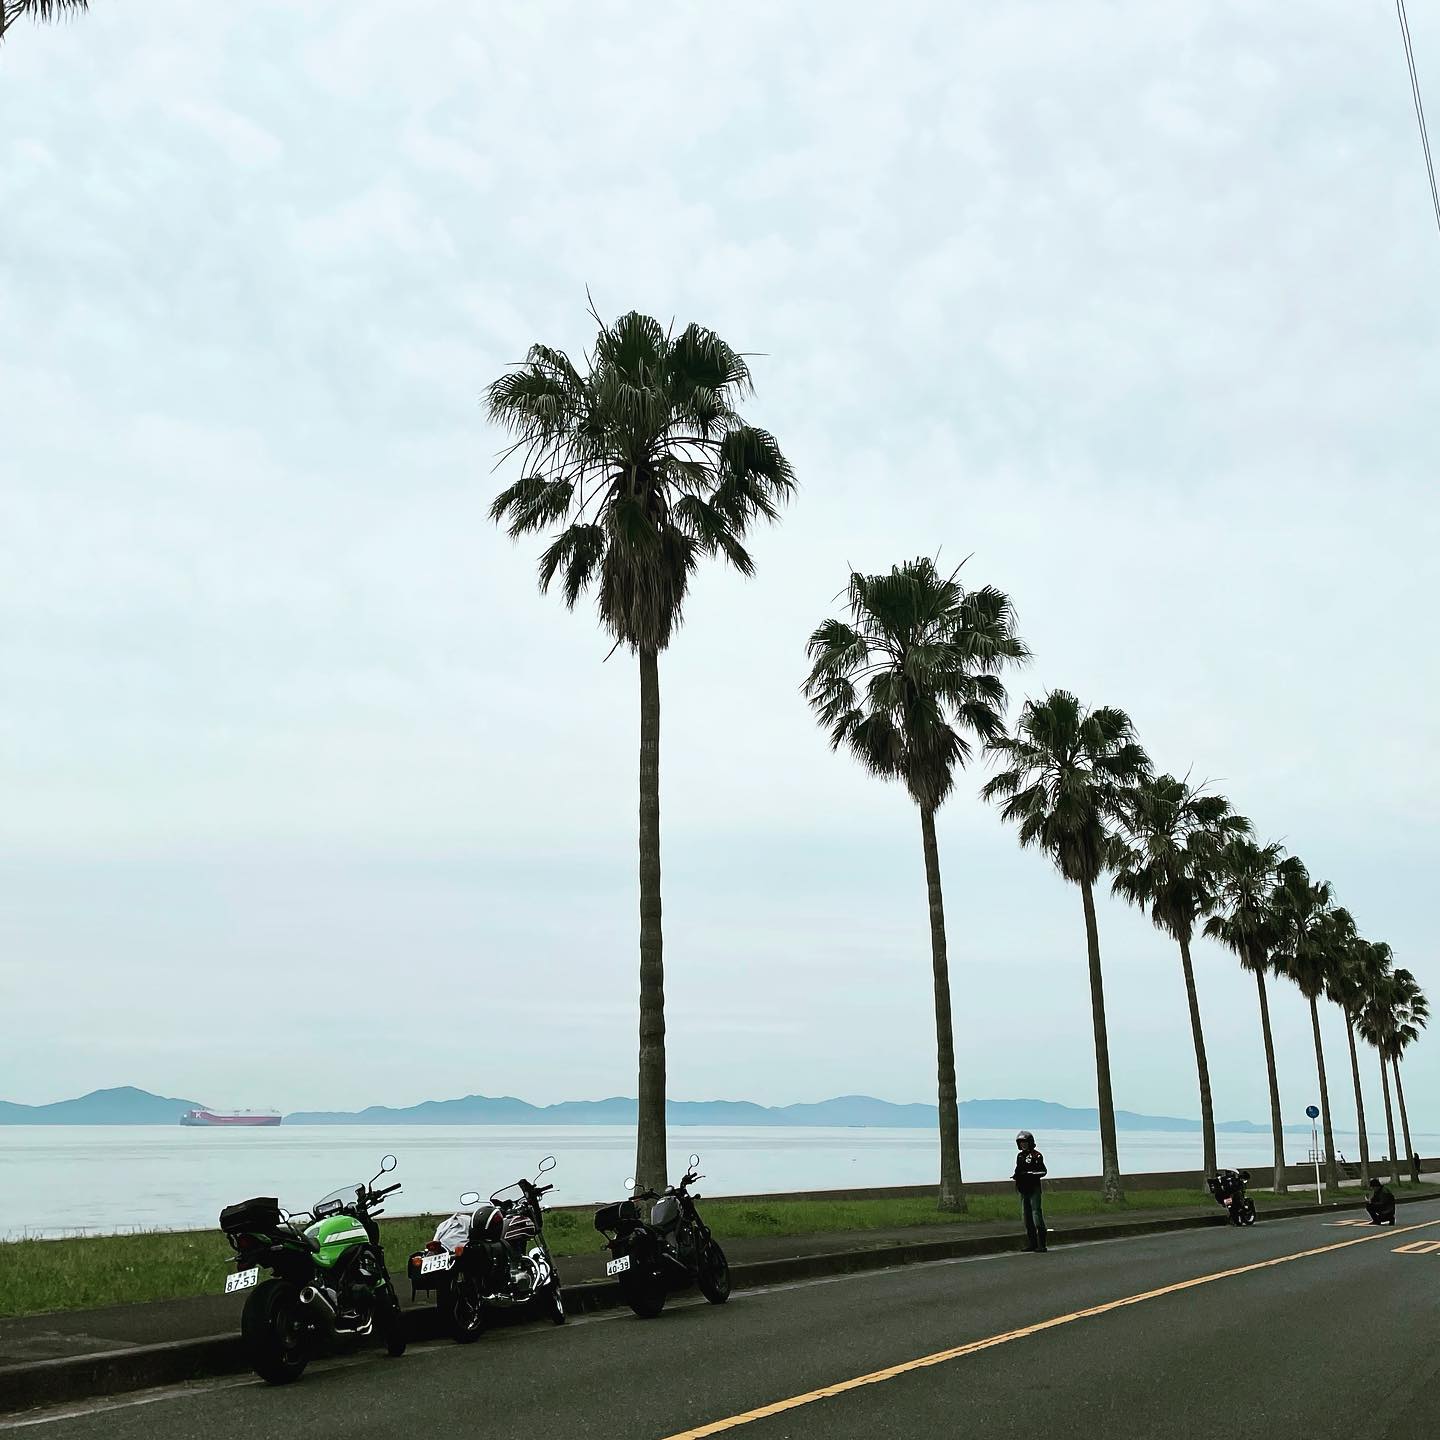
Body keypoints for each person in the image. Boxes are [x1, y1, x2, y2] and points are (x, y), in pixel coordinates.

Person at [1013, 1130, 1048, 1252]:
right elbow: (1018, 1170)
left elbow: (1043, 1171)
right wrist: (1017, 1176)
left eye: (1025, 1142)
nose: (1023, 1145)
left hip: (1034, 1189)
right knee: (1026, 1217)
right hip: (1023, 1190)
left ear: (1030, 1142)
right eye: (1021, 1142)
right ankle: (1032, 1243)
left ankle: (1042, 1244)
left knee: (1036, 1214)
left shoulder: (1037, 1155)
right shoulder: (1020, 1156)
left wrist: (1030, 1174)